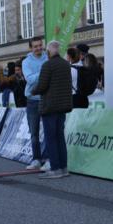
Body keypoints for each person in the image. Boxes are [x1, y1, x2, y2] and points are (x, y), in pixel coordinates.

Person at [31, 41, 73, 179]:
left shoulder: (47, 65)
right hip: (62, 107)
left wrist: (33, 90)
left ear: (49, 51)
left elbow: (42, 86)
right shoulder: (66, 64)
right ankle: (63, 168)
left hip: (49, 107)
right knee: (60, 137)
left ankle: (55, 168)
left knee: (51, 139)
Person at [21, 36, 47, 171]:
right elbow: (30, 80)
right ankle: (36, 159)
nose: (38, 48)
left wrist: (39, 75)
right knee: (34, 133)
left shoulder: (48, 58)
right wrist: (44, 72)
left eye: (40, 45)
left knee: (49, 131)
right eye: (35, 46)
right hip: (32, 101)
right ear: (31, 48)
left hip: (46, 99)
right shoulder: (26, 62)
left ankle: (48, 159)